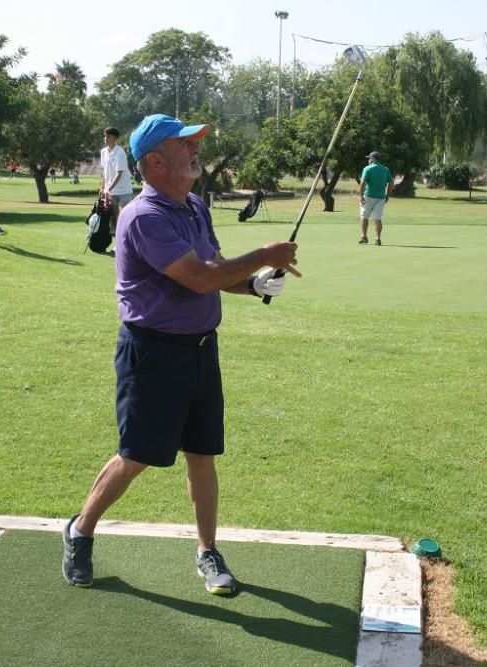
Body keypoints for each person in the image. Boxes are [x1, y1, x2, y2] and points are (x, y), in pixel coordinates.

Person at [62, 113, 300, 596]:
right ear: (154, 160)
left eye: (195, 142)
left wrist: (253, 284)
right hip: (152, 353)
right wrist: (265, 254)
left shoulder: (194, 206)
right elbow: (197, 278)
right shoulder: (144, 216)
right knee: (136, 456)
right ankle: (80, 530)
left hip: (200, 350)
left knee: (202, 453)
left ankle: (207, 551)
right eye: (184, 144)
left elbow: (215, 269)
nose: (196, 150)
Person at [99, 127, 134, 233]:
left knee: (127, 217)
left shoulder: (120, 152)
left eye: (108, 137)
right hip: (111, 191)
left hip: (123, 190)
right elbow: (104, 172)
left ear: (115, 138)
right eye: (105, 136)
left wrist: (109, 188)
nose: (105, 139)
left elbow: (119, 173)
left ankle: (130, 240)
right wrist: (102, 187)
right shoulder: (103, 152)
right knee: (114, 218)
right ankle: (117, 244)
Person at [358, 151, 393, 246]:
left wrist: (361, 196)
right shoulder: (385, 169)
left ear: (372, 159)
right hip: (381, 197)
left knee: (364, 216)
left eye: (369, 158)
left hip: (368, 196)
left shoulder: (367, 169)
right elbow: (391, 182)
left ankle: (364, 237)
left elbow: (362, 183)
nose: (368, 160)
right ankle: (377, 239)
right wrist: (388, 195)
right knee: (377, 218)